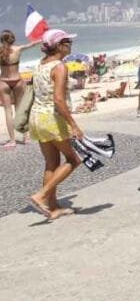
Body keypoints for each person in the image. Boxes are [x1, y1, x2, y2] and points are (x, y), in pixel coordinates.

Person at [28, 29, 83, 220]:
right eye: (68, 42)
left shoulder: (40, 64)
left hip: (36, 117)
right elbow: (59, 100)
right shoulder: (60, 67)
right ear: (59, 45)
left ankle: (52, 208)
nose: (70, 45)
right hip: (51, 118)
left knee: (51, 163)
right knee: (73, 160)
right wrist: (74, 125)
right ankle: (41, 195)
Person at [0, 30, 41, 148]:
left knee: (8, 111)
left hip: (3, 81)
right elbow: (32, 44)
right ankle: (26, 137)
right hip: (17, 81)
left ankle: (12, 140)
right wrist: (41, 38)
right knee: (20, 109)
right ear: (12, 39)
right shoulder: (18, 49)